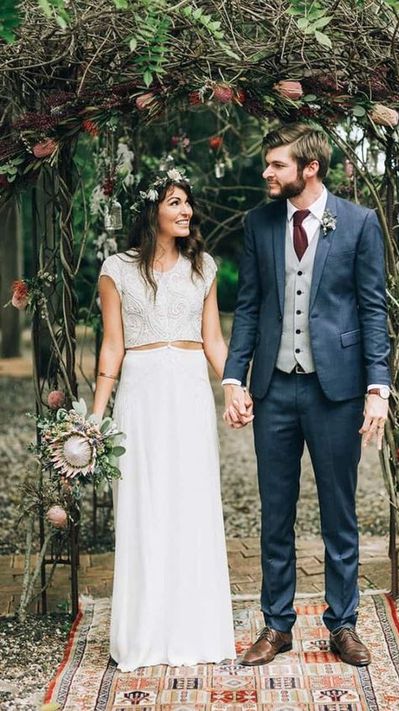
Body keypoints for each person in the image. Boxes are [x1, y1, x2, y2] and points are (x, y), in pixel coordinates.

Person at [222, 123, 391, 667]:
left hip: (335, 391)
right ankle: (277, 625)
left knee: (339, 512)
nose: (266, 173)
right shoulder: (259, 223)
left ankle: (343, 624)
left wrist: (377, 388)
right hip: (273, 390)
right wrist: (233, 380)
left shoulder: (360, 223)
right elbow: (248, 306)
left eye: (276, 165)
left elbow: (371, 309)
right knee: (275, 511)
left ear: (309, 168)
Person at [92, 170, 236, 671]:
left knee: (191, 501)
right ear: (151, 210)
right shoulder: (116, 269)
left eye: (187, 203)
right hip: (142, 391)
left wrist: (236, 387)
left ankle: (198, 630)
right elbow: (112, 344)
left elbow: (214, 340)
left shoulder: (205, 267)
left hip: (191, 390)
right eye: (175, 202)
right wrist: (95, 417)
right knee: (145, 503)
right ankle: (145, 633)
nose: (185, 212)